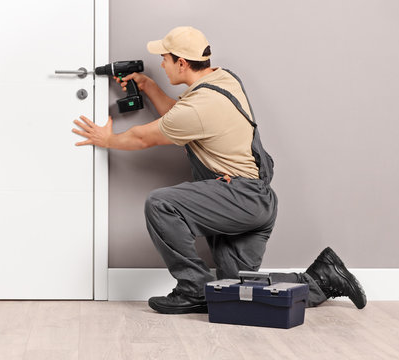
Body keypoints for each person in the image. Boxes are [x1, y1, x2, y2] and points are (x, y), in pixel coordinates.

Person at [72, 26, 367, 314]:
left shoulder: (199, 107)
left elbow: (144, 137)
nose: (161, 63)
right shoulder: (223, 79)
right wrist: (148, 86)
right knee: (233, 293)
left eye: (165, 58)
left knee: (160, 203)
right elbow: (182, 116)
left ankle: (193, 289)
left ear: (182, 62)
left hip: (240, 198)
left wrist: (107, 139)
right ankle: (323, 278)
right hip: (253, 199)